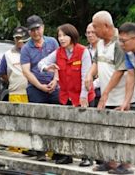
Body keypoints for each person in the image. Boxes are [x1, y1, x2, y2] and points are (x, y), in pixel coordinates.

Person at [84, 11, 135, 174]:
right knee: (108, 132)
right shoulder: (100, 43)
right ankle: (111, 162)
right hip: (107, 97)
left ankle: (126, 165)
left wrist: (105, 92)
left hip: (121, 96)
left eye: (96, 26)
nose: (93, 30)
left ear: (106, 26)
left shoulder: (120, 43)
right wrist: (89, 74)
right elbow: (96, 62)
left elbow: (120, 70)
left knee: (124, 132)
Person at [37, 23, 95, 165]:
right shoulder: (58, 52)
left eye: (64, 35)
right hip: (66, 96)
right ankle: (66, 155)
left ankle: (87, 156)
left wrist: (83, 96)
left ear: (72, 36)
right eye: (59, 36)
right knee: (65, 127)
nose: (61, 39)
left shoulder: (83, 52)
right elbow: (41, 63)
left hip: (83, 95)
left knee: (84, 128)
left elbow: (85, 76)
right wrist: (46, 67)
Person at [20, 15, 60, 162]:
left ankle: (57, 151)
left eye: (38, 28)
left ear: (42, 27)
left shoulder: (52, 42)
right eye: (32, 30)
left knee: (57, 118)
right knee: (38, 120)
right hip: (36, 87)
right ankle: (40, 151)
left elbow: (60, 62)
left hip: (55, 85)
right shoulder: (26, 49)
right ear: (29, 32)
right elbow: (26, 71)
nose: (36, 32)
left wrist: (56, 79)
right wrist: (40, 86)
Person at [0, 26, 30, 103]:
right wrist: (13, 81)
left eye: (21, 38)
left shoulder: (32, 52)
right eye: (17, 38)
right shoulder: (7, 55)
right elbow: (3, 74)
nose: (19, 40)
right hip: (15, 94)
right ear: (14, 39)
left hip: (31, 92)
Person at [86, 22, 101, 107]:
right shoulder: (84, 50)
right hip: (88, 91)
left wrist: (93, 85)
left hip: (102, 90)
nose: (90, 35)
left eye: (93, 32)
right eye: (88, 33)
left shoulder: (105, 49)